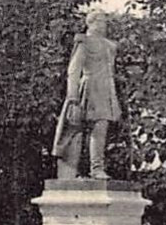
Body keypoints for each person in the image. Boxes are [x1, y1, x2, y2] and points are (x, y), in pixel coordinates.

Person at [51, 10, 121, 180]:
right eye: (101, 21)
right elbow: (74, 71)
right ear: (91, 22)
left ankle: (96, 168)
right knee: (84, 129)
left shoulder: (109, 46)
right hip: (90, 88)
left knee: (101, 127)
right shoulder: (84, 43)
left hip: (106, 90)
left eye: (105, 22)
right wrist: (73, 98)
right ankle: (89, 169)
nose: (104, 25)